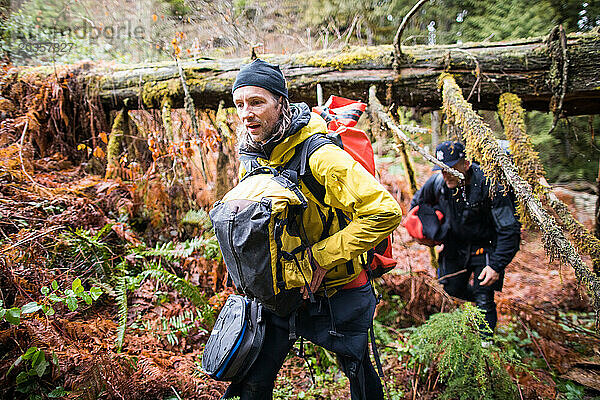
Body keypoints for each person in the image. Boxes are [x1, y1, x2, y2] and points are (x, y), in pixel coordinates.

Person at [221, 59, 402, 399]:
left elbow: (385, 212)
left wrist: (320, 258)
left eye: (257, 102)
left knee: (359, 372)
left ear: (281, 103)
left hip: (337, 288)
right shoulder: (255, 154)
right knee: (254, 380)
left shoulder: (319, 154)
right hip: (281, 290)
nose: (246, 113)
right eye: (240, 104)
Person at [410, 141, 521, 336]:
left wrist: (496, 265)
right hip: (455, 245)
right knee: (450, 288)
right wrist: (429, 231)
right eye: (442, 169)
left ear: (466, 164)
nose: (446, 175)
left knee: (484, 296)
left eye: (451, 168)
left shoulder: (490, 185)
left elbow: (509, 229)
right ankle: (472, 313)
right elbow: (418, 205)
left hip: (485, 246)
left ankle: (486, 345)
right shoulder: (438, 184)